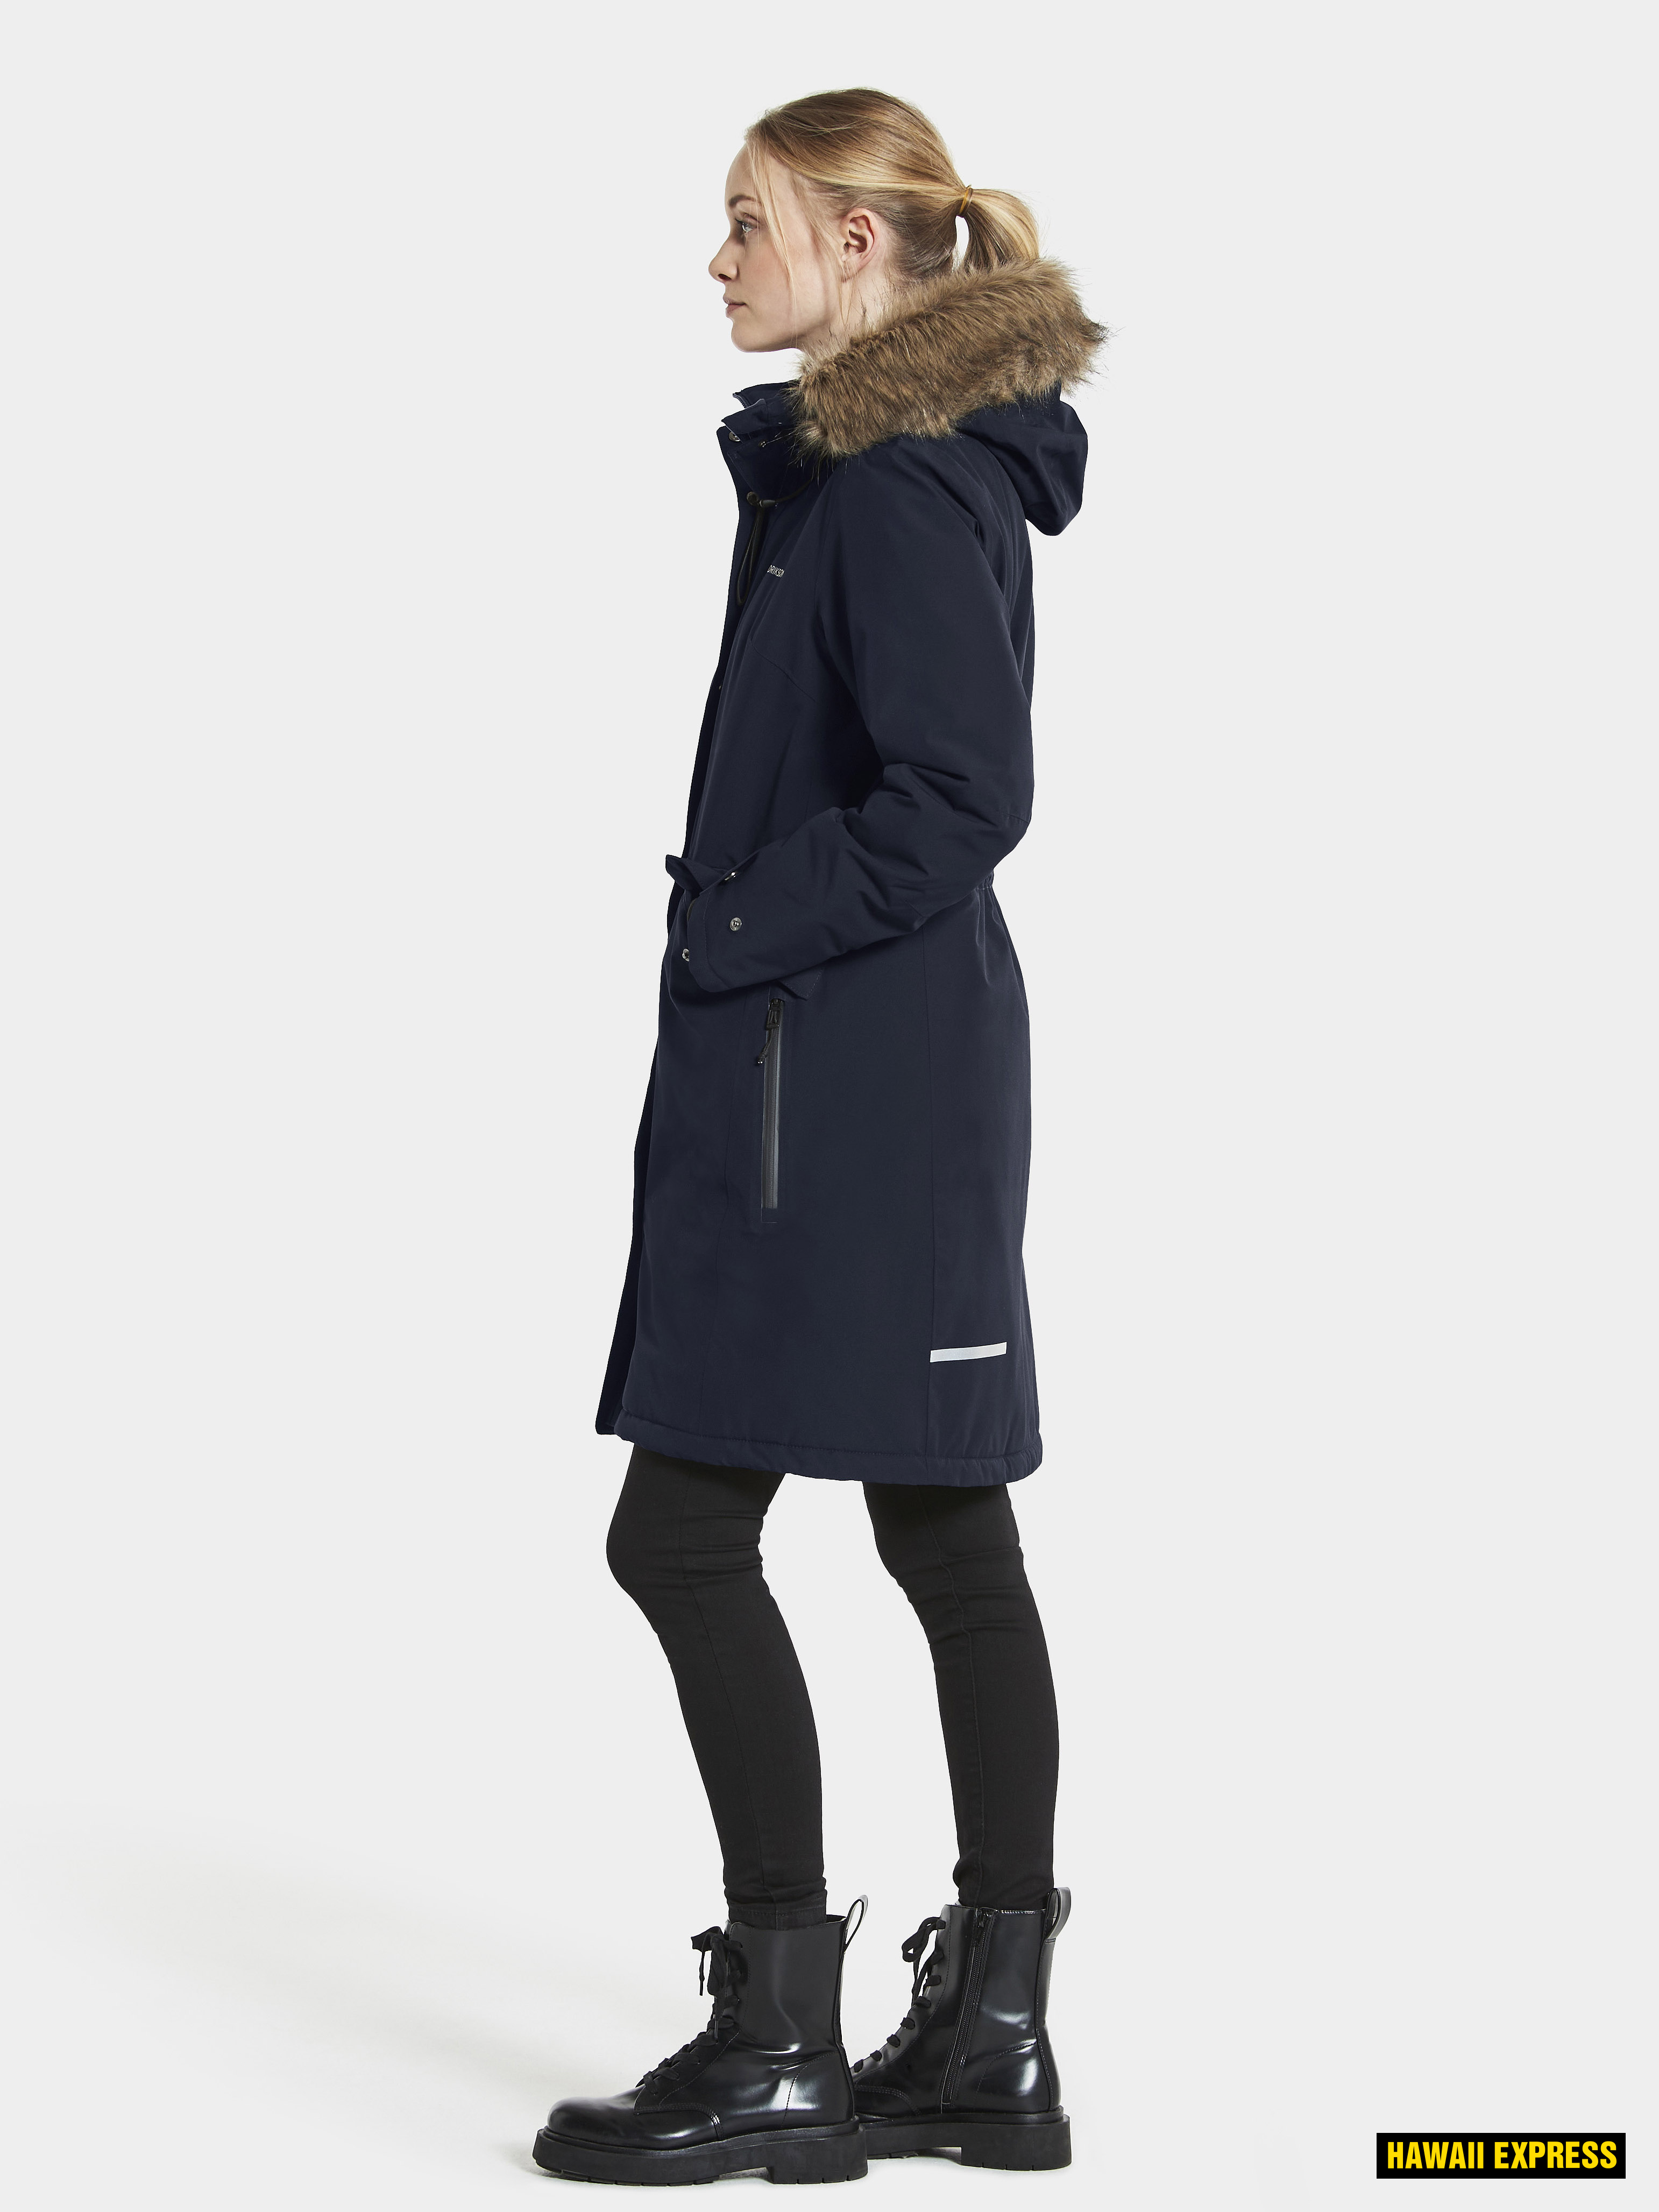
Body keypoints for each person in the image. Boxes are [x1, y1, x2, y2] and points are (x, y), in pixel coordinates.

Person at [533, 87, 1103, 2189]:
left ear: (857, 246)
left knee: (686, 1534)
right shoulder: (860, 471)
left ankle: (784, 2034)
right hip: (868, 1078)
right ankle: (993, 2044)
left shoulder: (894, 483)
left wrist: (732, 925)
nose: (718, 258)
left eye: (747, 220)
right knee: (945, 1533)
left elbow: (963, 796)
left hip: (843, 1094)